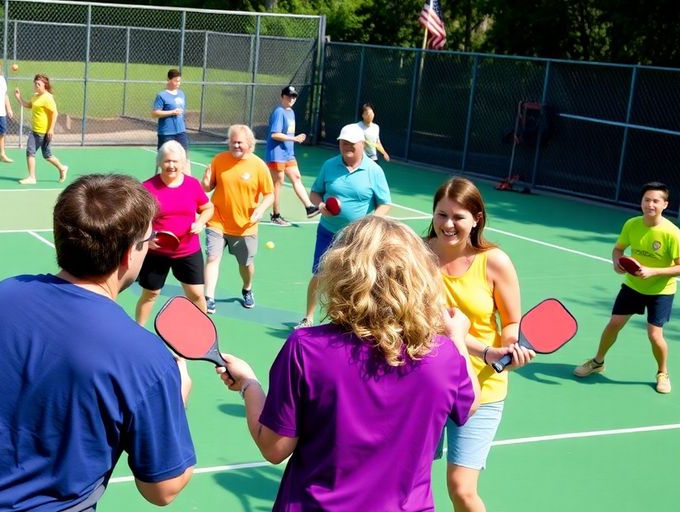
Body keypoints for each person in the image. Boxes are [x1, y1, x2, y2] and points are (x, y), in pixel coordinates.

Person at [0, 174, 196, 511]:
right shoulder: (146, 358)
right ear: (126, 256)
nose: (150, 246)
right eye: (148, 239)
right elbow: (162, 489)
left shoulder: (1, 295)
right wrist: (176, 400)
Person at [216, 215, 480, 511]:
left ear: (342, 272)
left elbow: (274, 447)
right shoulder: (443, 356)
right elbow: (468, 405)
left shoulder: (305, 348)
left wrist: (249, 385)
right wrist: (457, 338)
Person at [425, 177, 535, 512]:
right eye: (442, 215)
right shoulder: (417, 256)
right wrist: (484, 350)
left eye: (458, 217)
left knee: (461, 489)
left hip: (480, 389)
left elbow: (512, 321)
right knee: (404, 476)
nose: (448, 224)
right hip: (423, 382)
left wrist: (510, 346)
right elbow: (427, 323)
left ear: (476, 219)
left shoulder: (495, 261)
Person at [574, 182, 680, 394]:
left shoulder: (672, 233)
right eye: (647, 200)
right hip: (633, 286)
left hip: (660, 291)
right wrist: (617, 263)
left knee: (655, 335)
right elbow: (618, 249)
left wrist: (653, 272)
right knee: (613, 324)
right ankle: (598, 362)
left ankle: (662, 372)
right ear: (641, 202)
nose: (650, 204)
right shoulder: (632, 224)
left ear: (665, 204)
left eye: (655, 201)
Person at [296, 123, 391, 329]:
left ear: (362, 144)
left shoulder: (374, 171)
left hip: (357, 238)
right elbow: (316, 192)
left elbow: (385, 203)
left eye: (351, 143)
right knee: (319, 274)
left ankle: (351, 321)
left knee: (356, 278)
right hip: (328, 232)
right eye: (343, 142)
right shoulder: (329, 165)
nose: (346, 146)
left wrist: (369, 223)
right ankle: (308, 317)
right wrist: (320, 205)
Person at [135, 140, 214, 326]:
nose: (171, 165)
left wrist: (201, 222)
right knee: (150, 294)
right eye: (167, 161)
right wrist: (145, 238)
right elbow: (135, 219)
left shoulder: (192, 185)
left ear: (183, 163)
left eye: (175, 161)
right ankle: (139, 331)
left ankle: (199, 331)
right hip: (156, 253)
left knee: (196, 295)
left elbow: (208, 207)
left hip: (188, 251)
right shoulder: (147, 188)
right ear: (159, 162)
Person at [201, 124, 274, 314]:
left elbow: (269, 194)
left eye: (240, 142)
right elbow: (207, 188)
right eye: (232, 142)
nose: (236, 146)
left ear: (250, 144)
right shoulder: (219, 160)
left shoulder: (259, 166)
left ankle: (247, 288)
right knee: (212, 258)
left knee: (245, 264)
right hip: (217, 220)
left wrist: (261, 208)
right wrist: (206, 181)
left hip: (244, 226)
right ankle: (208, 297)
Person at [266, 86, 319, 225]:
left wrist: (293, 139)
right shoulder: (279, 112)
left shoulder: (291, 112)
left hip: (288, 154)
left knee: (296, 177)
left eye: (294, 96)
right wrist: (294, 139)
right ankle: (275, 215)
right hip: (276, 154)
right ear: (282, 96)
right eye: (289, 96)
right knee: (278, 183)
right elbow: (275, 134)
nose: (292, 99)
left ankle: (309, 207)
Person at [14, 74, 69, 185]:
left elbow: (55, 113)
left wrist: (51, 129)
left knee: (30, 151)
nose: (36, 85)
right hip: (36, 130)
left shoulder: (47, 97)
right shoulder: (36, 96)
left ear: (45, 85)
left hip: (42, 131)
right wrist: (19, 98)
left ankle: (32, 178)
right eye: (35, 83)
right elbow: (29, 105)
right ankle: (62, 168)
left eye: (39, 84)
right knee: (47, 155)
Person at [152, 69, 187, 151]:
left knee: (183, 156)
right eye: (176, 81)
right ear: (169, 80)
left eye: (179, 81)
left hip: (181, 132)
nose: (178, 83)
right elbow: (154, 113)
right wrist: (172, 112)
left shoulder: (181, 93)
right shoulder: (161, 95)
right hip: (167, 133)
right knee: (165, 157)